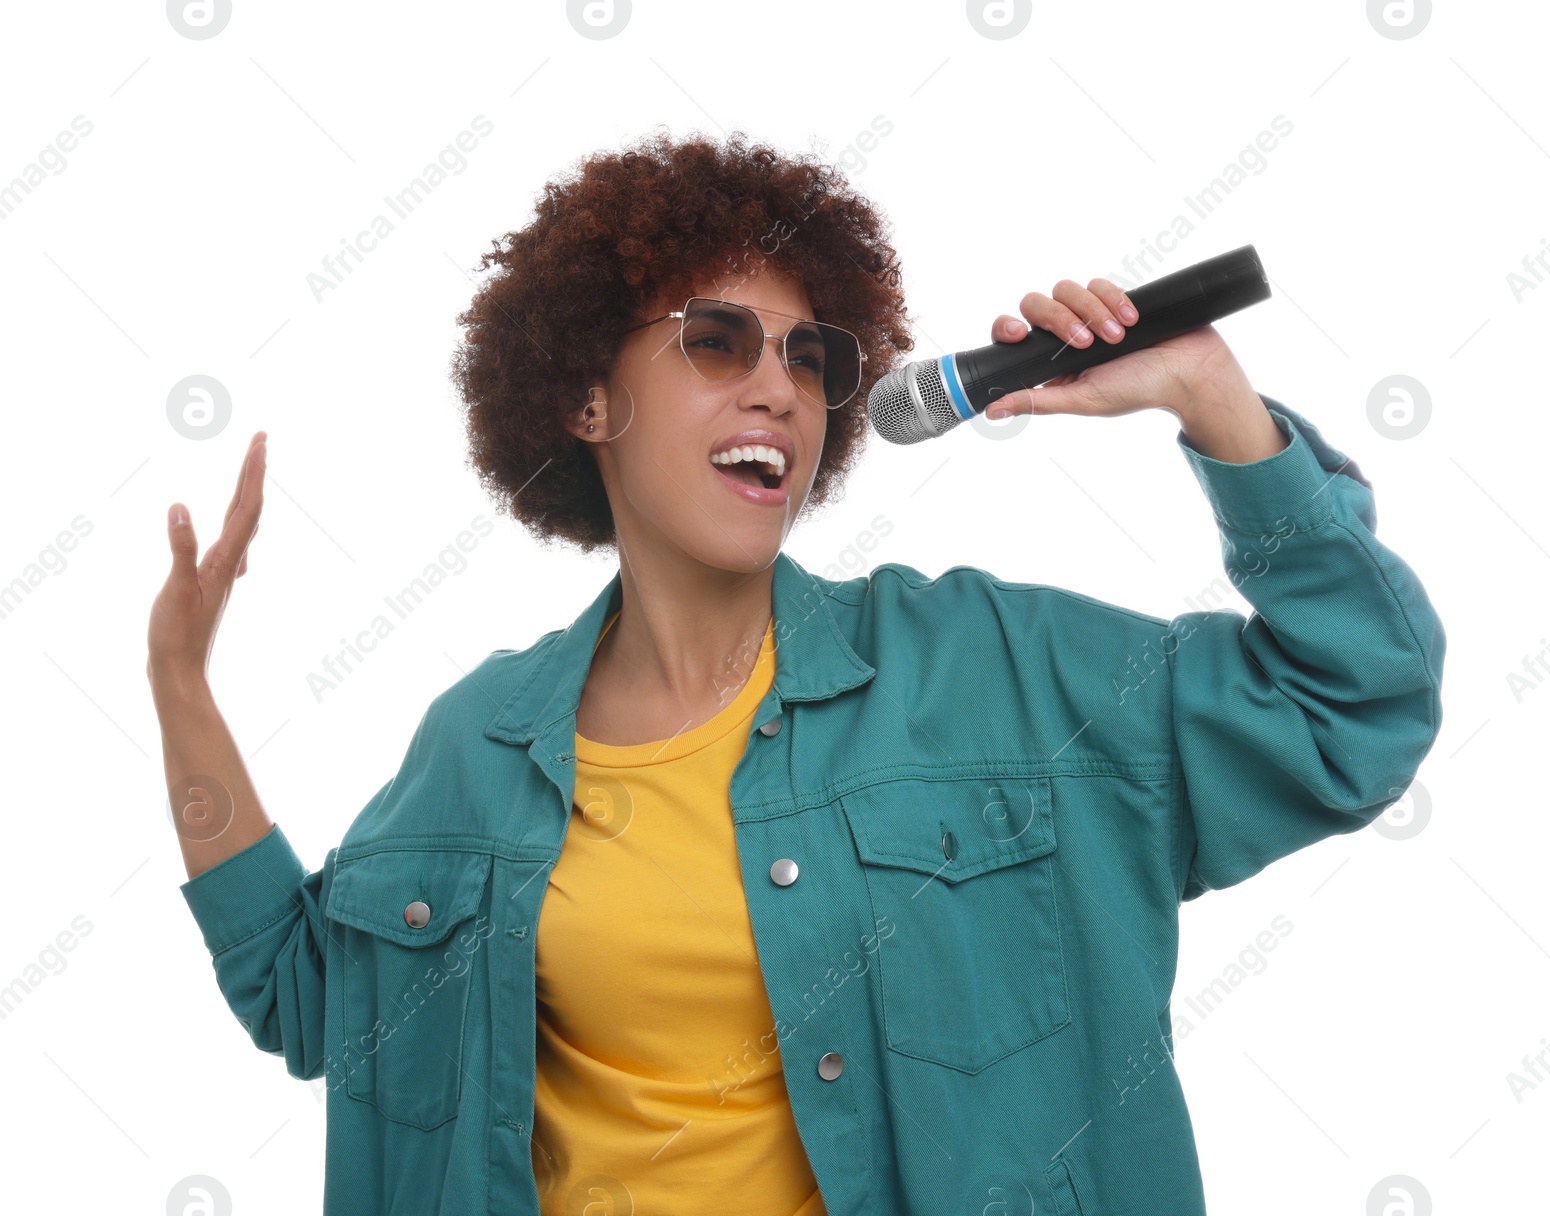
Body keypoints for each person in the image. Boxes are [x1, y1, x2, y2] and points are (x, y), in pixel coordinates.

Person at [149, 129, 1446, 1216]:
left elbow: (1354, 699)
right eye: (716, 343)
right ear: (589, 401)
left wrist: (1212, 403)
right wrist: (180, 687)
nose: (778, 385)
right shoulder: (478, 745)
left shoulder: (997, 675)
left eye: (810, 357)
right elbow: (308, 994)